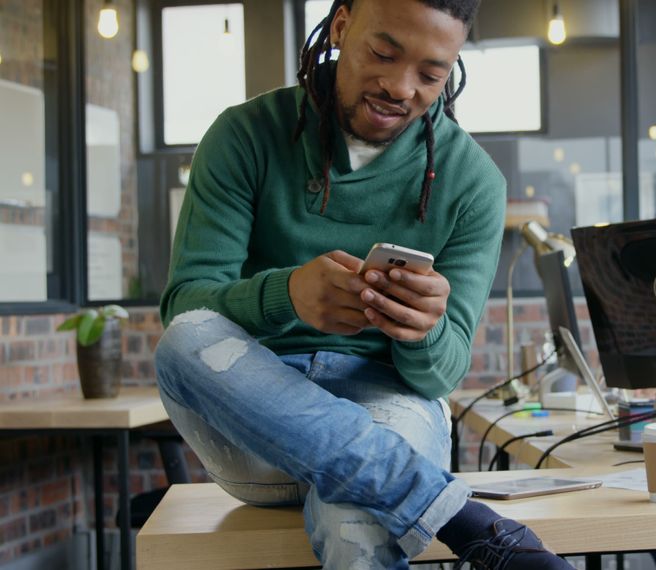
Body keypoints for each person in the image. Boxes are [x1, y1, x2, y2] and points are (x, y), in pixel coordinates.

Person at [153, 1, 572, 568]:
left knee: (357, 514)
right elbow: (185, 303)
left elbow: (441, 375)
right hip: (252, 429)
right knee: (183, 338)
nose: (400, 87)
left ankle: (397, 486)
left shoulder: (472, 181)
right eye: (383, 53)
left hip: (388, 404)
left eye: (431, 74)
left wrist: (421, 331)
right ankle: (455, 516)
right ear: (342, 25)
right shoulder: (245, 135)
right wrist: (287, 295)